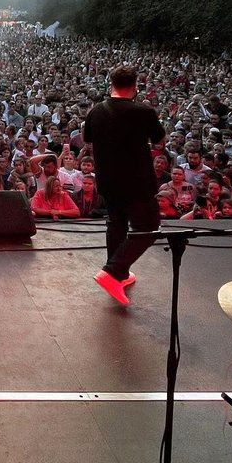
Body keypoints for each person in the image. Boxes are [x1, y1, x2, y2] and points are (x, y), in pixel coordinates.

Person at [83, 65, 164, 306]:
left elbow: (88, 140)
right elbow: (159, 140)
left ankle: (119, 276)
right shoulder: (143, 111)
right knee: (148, 228)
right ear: (135, 86)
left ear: (111, 84)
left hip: (108, 180)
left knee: (116, 223)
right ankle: (114, 270)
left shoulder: (96, 111)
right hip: (137, 181)